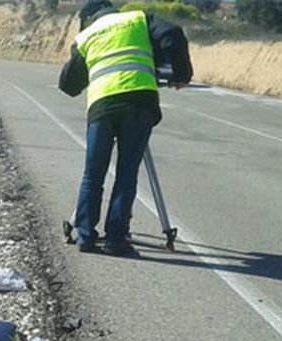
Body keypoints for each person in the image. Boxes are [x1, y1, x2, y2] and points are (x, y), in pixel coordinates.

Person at [59, 0, 192, 255]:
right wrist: (181, 74)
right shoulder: (138, 19)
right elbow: (172, 34)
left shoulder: (87, 35)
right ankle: (116, 240)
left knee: (93, 173)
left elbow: (68, 84)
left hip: (102, 106)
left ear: (89, 18)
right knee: (126, 173)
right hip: (138, 102)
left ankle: (85, 236)